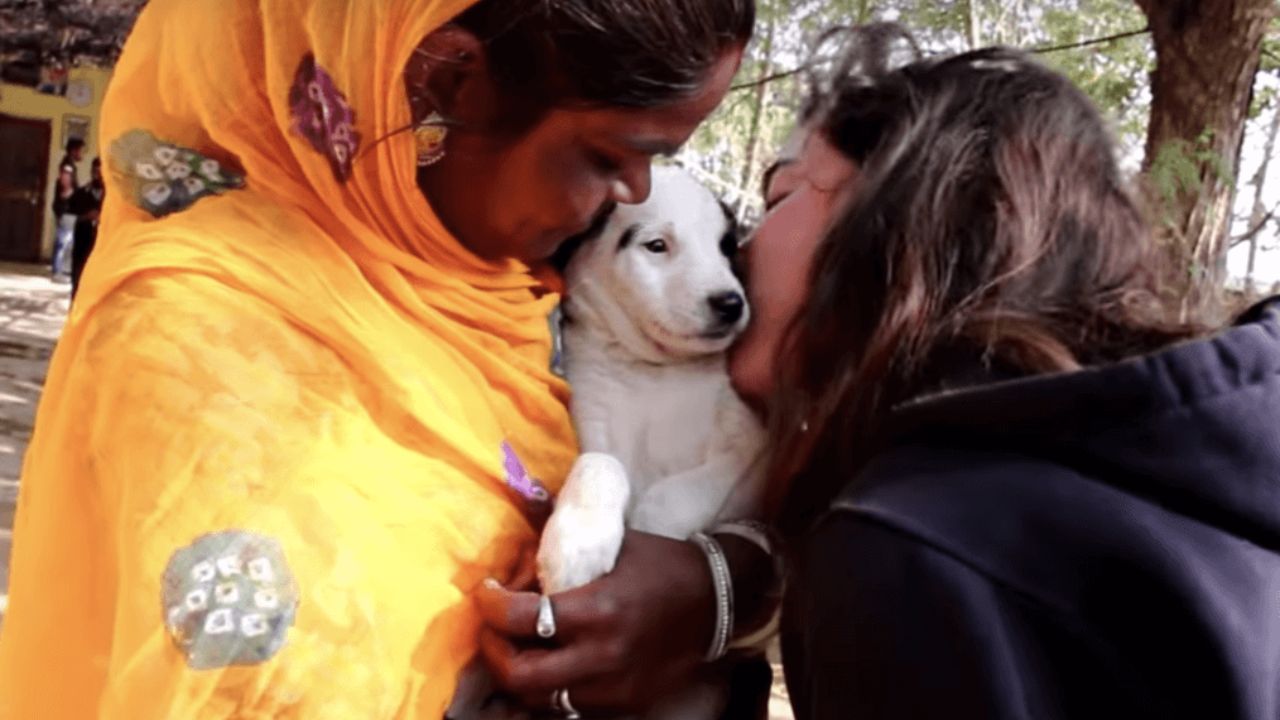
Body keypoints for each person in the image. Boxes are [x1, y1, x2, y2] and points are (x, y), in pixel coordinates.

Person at [0, 0, 754, 717]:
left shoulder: (508, 298)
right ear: (452, 81)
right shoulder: (197, 338)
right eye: (610, 155)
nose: (637, 191)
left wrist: (724, 589)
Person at [729, 45, 1280, 718]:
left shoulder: (915, 546)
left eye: (780, 196)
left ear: (887, 222)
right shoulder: (1218, 471)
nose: (738, 246)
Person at [68, 157, 105, 300]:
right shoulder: (81, 193)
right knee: (78, 281)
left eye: (100, 171)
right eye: (94, 171)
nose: (97, 174)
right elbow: (68, 218)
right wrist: (86, 216)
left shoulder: (112, 197)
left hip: (102, 246)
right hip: (82, 245)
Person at [50, 137, 85, 279]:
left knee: (66, 239)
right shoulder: (67, 166)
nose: (81, 154)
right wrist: (78, 196)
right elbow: (66, 188)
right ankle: (58, 271)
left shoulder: (69, 164)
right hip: (66, 208)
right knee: (64, 240)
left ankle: (60, 270)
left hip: (66, 208)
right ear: (73, 150)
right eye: (80, 151)